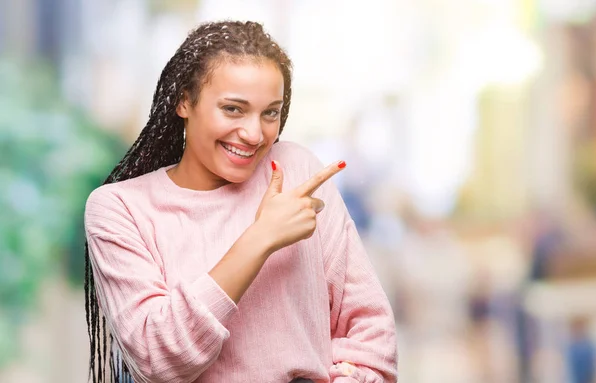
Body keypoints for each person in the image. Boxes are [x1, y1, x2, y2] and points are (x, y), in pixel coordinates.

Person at [84, 20, 398, 383]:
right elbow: (158, 359)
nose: (253, 134)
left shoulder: (295, 171)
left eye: (270, 113)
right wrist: (260, 238)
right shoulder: (120, 209)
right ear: (185, 100)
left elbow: (370, 330)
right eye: (233, 109)